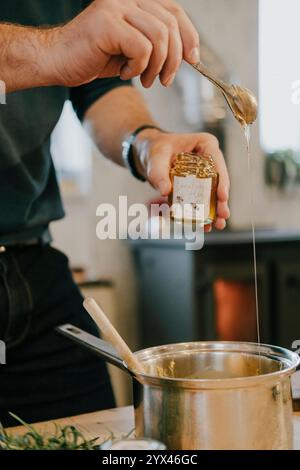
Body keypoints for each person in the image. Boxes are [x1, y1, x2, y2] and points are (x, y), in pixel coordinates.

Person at [0, 0, 230, 427]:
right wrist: (52, 49)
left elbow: (97, 90)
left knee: (106, 440)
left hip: (32, 271)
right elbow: (65, 54)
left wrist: (146, 144)